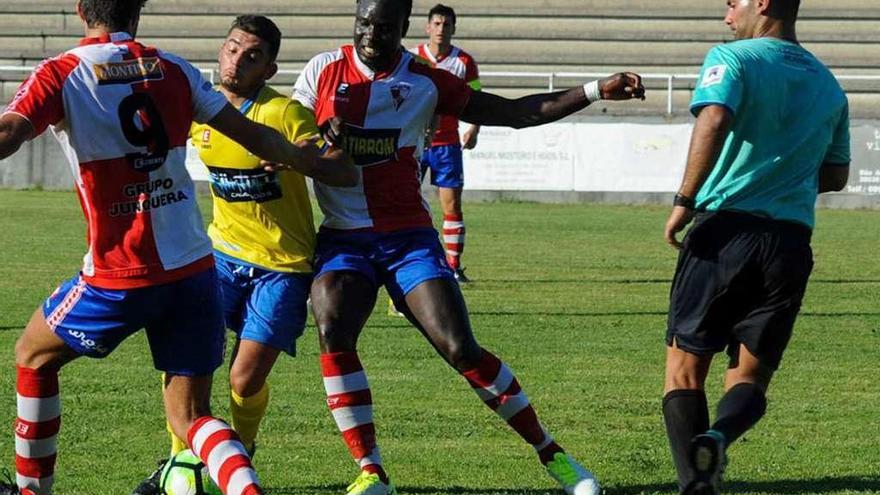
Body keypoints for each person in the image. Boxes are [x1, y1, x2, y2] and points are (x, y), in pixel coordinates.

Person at [0, 1, 356, 494]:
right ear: (138, 10)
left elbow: (9, 132)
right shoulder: (174, 69)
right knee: (193, 418)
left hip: (121, 270)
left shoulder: (62, 72)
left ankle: (30, 489)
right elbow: (253, 135)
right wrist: (308, 161)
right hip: (193, 269)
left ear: (81, 10)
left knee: (33, 354)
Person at [292, 1, 645, 494]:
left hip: (406, 239)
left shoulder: (427, 80)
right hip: (343, 235)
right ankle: (371, 471)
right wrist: (315, 136)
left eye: (385, 26)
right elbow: (292, 135)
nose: (372, 34)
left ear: (404, 27)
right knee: (331, 326)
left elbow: (514, 113)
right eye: (364, 23)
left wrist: (593, 90)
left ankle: (554, 455)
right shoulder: (321, 69)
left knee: (460, 348)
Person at [131, 15, 356, 495]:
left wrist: (301, 158)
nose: (237, 60)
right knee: (189, 368)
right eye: (232, 48)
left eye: (252, 55)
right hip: (218, 258)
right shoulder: (200, 111)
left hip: (283, 267)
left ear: (269, 69)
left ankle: (240, 454)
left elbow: (341, 171)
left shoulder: (283, 114)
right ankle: (179, 464)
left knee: (243, 381)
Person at [661, 1, 850, 494]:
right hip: (789, 244)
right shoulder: (828, 84)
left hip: (723, 232)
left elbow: (714, 117)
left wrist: (685, 198)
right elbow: (835, 175)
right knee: (750, 378)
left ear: (761, 2)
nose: (727, 15)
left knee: (684, 371)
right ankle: (720, 436)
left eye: (732, 2)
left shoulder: (736, 58)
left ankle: (695, 487)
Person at [410, 3, 481, 283]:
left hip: (447, 145)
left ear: (454, 28)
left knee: (451, 206)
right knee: (406, 205)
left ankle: (453, 266)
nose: (441, 29)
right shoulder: (413, 58)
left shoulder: (464, 62)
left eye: (446, 25)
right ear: (428, 27)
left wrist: (474, 128)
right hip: (413, 143)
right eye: (436, 24)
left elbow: (475, 97)